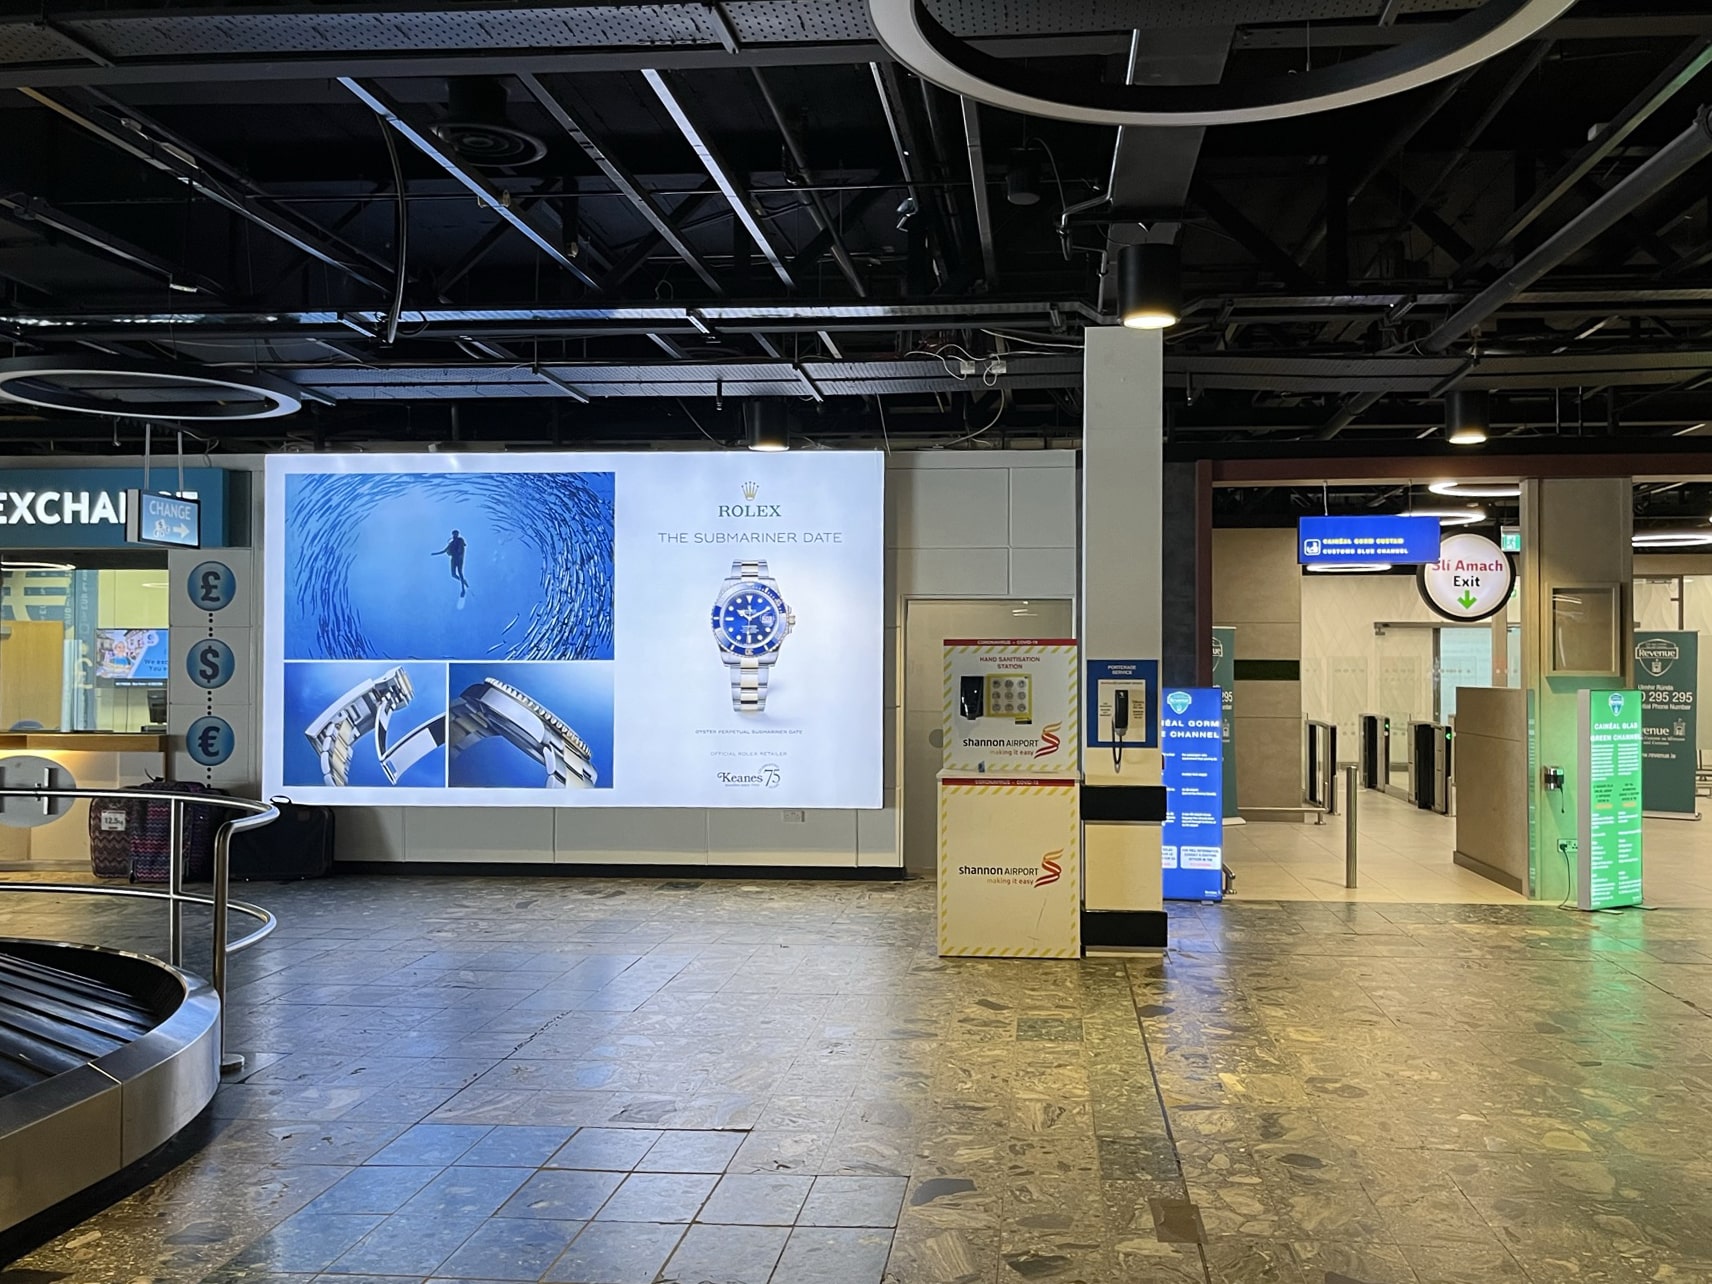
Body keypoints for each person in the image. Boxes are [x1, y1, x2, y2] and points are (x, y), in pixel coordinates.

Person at [434, 529, 469, 597]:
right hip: (453, 559)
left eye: (456, 534)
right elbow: (444, 551)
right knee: (453, 574)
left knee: (460, 572)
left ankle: (463, 589)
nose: (455, 535)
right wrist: (435, 554)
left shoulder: (460, 540)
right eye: (454, 534)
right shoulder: (451, 543)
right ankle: (463, 581)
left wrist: (459, 555)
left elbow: (462, 548)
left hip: (459, 558)